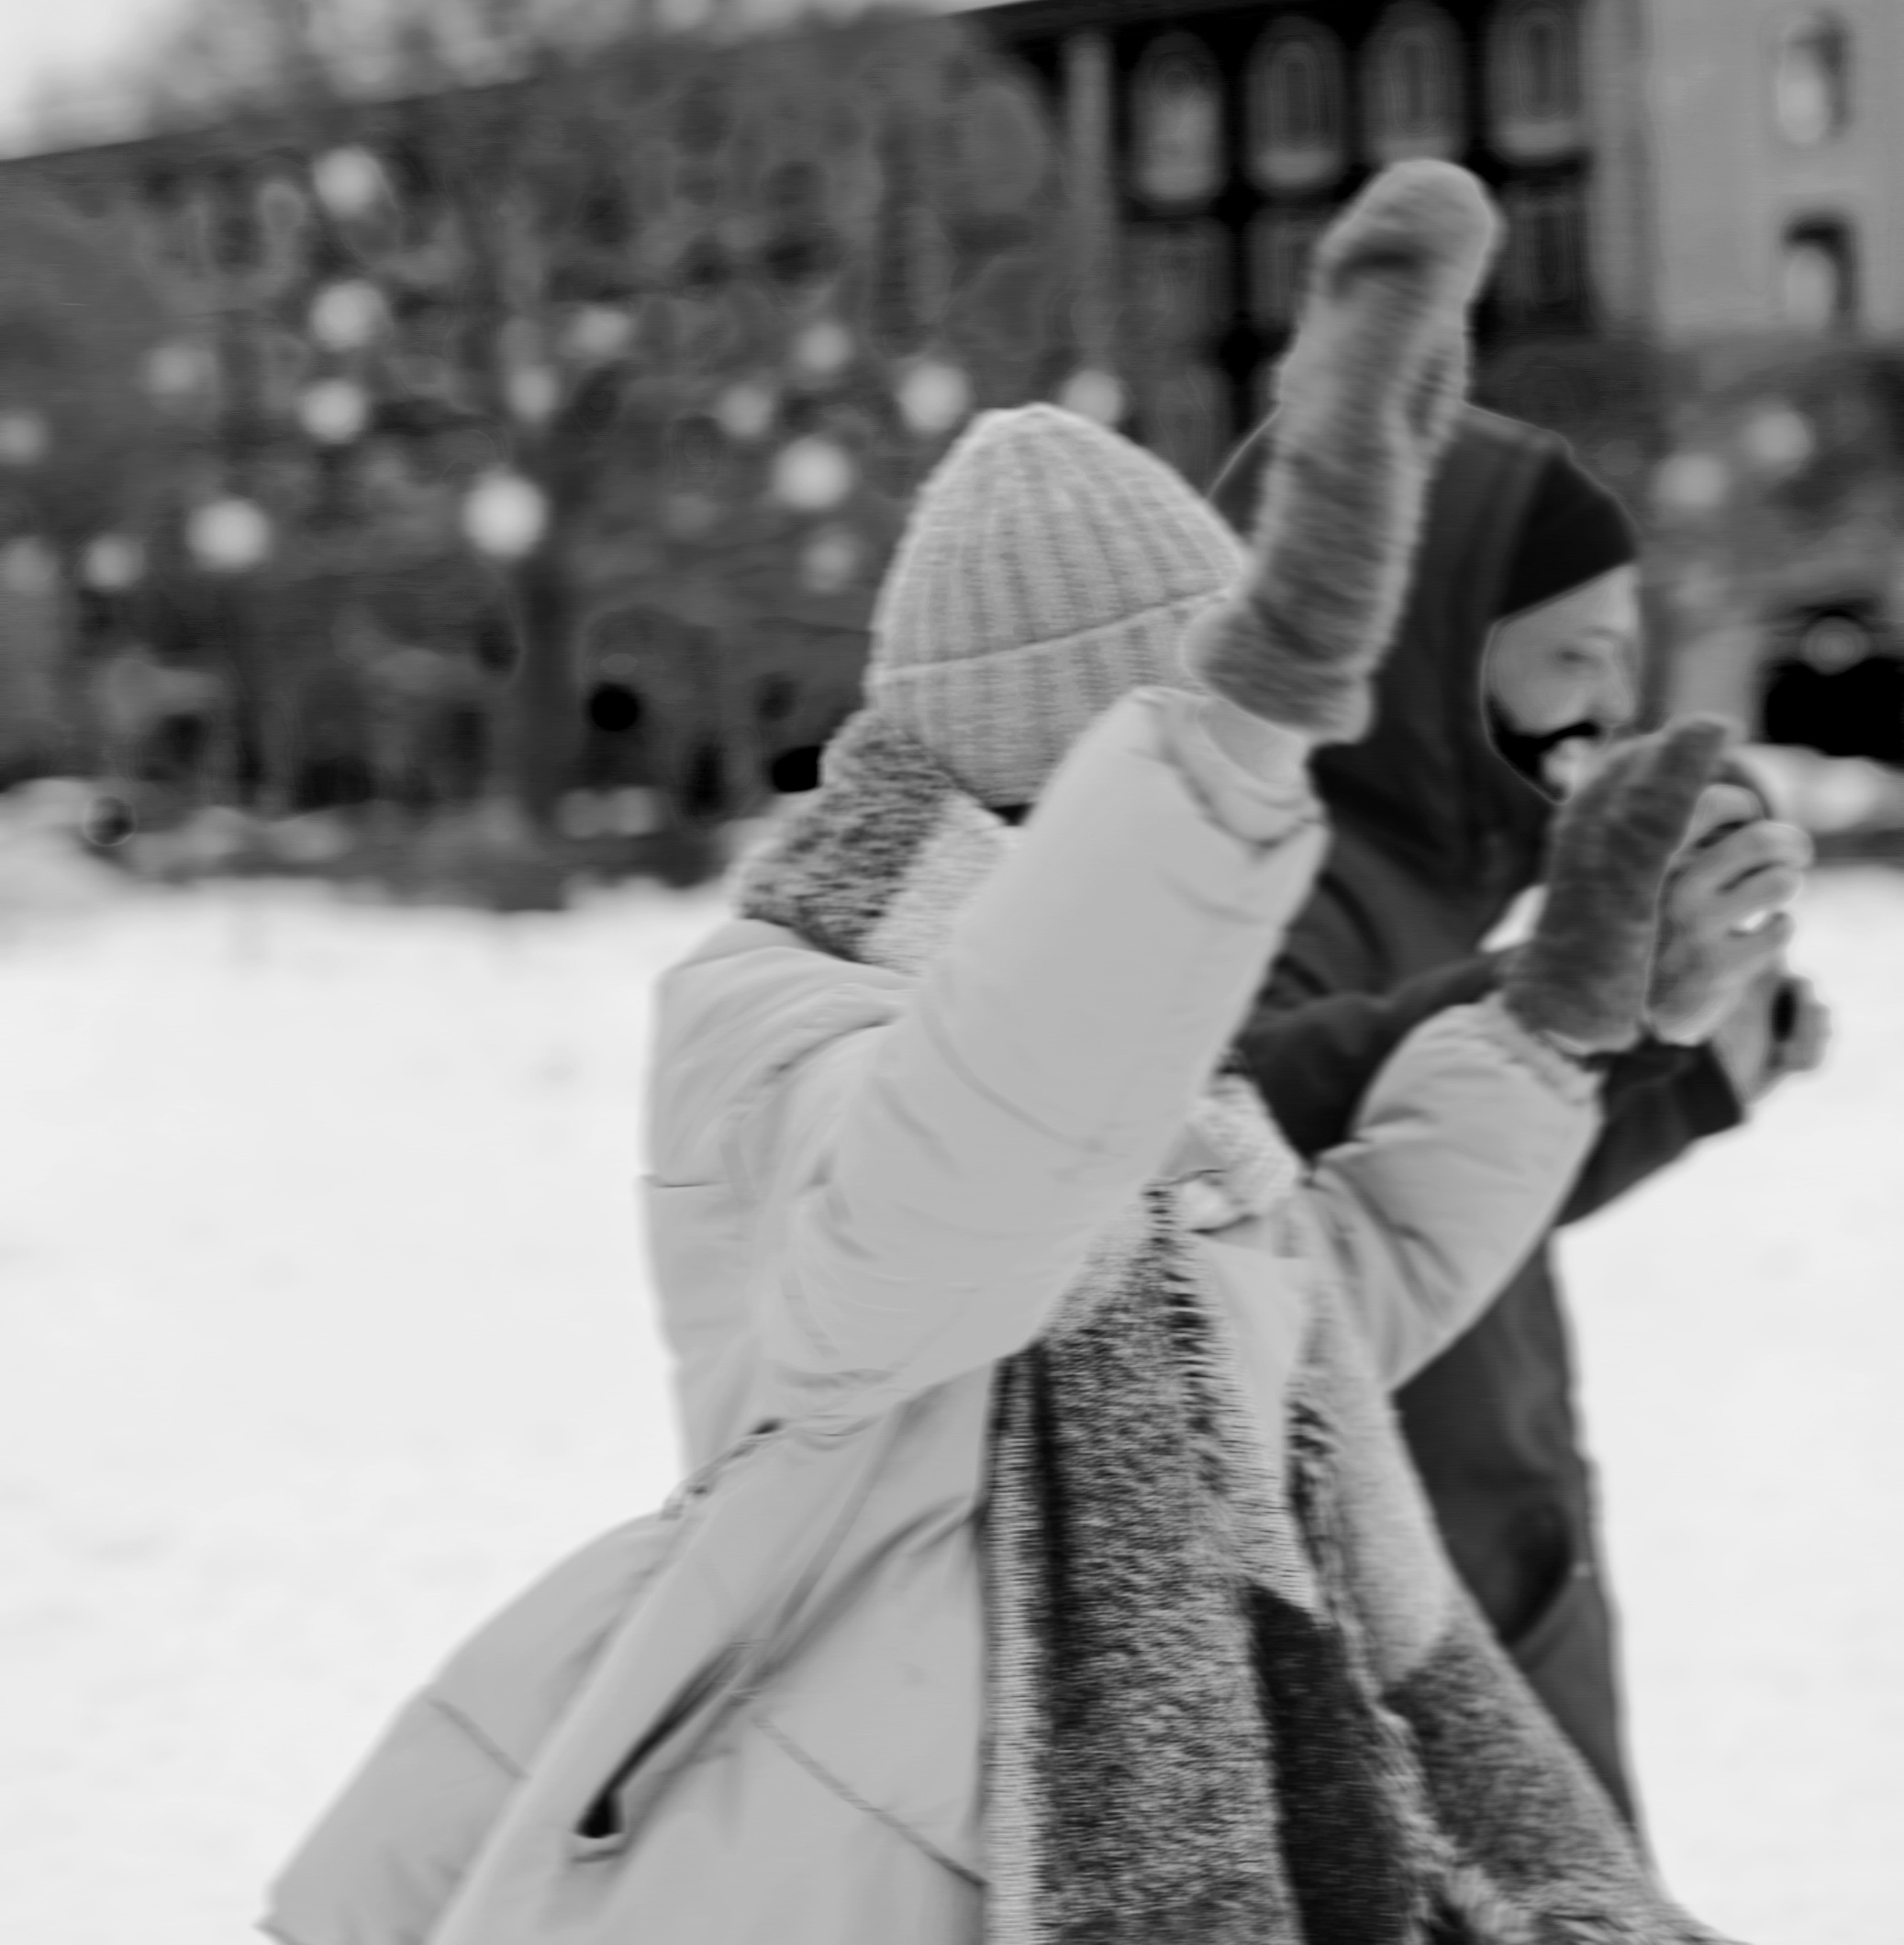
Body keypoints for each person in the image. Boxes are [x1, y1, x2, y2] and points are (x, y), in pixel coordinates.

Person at [264, 164, 1747, 1945]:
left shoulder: (1138, 1075)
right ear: (1080, 772)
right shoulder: (781, 1014)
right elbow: (949, 1203)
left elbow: (1311, 1307)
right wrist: (1247, 717)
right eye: (1193, 746)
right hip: (886, 1873)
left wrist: (1548, 1026)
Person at [1213, 399, 1827, 1827]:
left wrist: (1686, 1065)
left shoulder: (1420, 878)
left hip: (1492, 1552)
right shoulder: (1284, 872)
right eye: (1574, 655)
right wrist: (1585, 981)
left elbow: (1465, 1166)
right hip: (1408, 1595)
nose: (1605, 707)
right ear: (1424, 640)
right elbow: (1246, 1137)